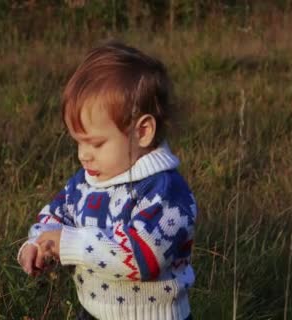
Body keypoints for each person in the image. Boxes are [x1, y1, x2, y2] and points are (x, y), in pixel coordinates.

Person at [17, 41, 197, 320]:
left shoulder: (166, 193)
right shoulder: (86, 181)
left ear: (143, 132)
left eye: (96, 144)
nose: (83, 156)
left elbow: (142, 257)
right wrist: (39, 242)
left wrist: (68, 243)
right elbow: (56, 213)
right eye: (78, 143)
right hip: (93, 311)